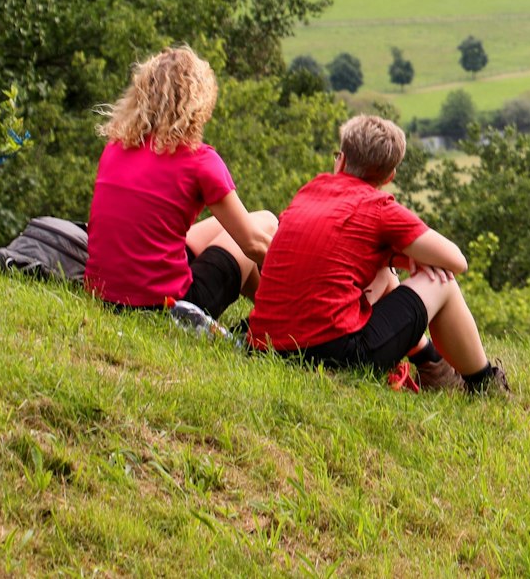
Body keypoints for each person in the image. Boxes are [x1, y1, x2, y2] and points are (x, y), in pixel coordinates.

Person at [248, 114, 508, 394]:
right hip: (331, 356)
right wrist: (401, 256)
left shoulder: (310, 191)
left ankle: (433, 367)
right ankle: (484, 384)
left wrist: (388, 258)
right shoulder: (378, 208)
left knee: (384, 272)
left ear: (342, 160)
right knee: (441, 281)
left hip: (265, 346)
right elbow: (456, 261)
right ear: (389, 176)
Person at [85, 46, 276, 320]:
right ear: (199, 102)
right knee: (265, 221)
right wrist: (297, 286)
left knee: (226, 226)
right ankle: (284, 312)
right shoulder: (199, 160)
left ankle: (268, 312)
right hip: (168, 306)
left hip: (103, 293)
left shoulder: (115, 147)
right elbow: (254, 245)